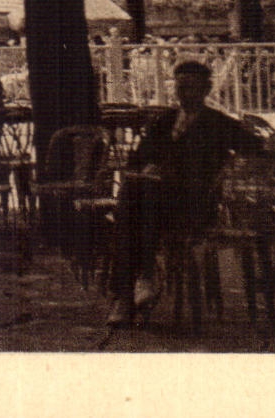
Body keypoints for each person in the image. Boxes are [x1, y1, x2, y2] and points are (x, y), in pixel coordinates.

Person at [105, 60, 264, 326]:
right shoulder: (164, 121)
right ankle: (134, 286)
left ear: (206, 89)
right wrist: (148, 166)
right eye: (180, 88)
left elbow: (257, 149)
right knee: (135, 196)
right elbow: (137, 159)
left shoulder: (219, 123)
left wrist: (231, 169)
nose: (185, 94)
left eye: (192, 88)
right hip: (156, 201)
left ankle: (136, 285)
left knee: (132, 206)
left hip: (195, 205)